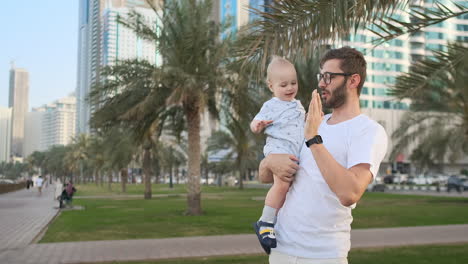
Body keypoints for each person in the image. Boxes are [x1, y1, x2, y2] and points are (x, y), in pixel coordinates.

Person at [259, 47, 388, 263]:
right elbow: (265, 177)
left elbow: (350, 193)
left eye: (329, 77)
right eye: (321, 76)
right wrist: (270, 161)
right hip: (281, 250)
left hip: (323, 255)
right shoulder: (312, 121)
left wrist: (313, 138)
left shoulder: (367, 131)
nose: (321, 83)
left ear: (353, 80)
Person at [250, 56, 306, 254]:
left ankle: (275, 223)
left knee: (286, 188)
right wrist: (258, 125)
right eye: (284, 84)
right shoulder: (271, 105)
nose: (290, 87)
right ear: (271, 85)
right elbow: (255, 122)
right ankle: (264, 222)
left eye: (293, 82)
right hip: (279, 149)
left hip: (293, 150)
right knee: (281, 185)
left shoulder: (298, 105)